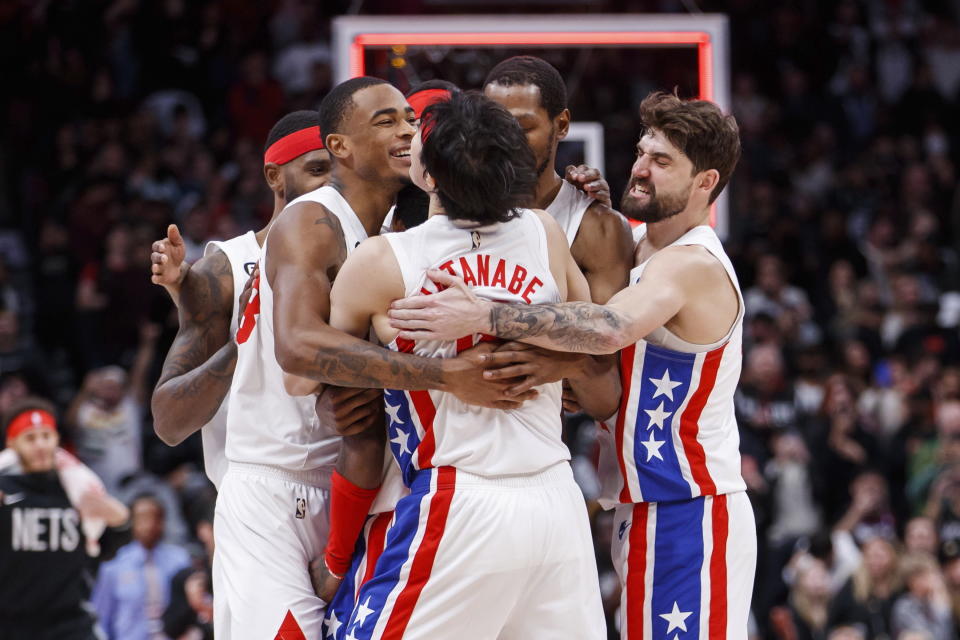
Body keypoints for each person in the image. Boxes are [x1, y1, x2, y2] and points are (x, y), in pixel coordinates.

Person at [388, 90, 756, 639]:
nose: (640, 169)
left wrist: (485, 313)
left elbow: (607, 329)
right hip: (643, 503)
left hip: (692, 506)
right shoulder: (636, 246)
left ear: (706, 182)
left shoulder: (692, 264)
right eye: (641, 153)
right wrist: (577, 202)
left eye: (662, 162)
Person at [215, 77, 525, 640]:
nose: (407, 130)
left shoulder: (396, 232)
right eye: (386, 121)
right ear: (339, 147)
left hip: (352, 480)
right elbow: (299, 350)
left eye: (409, 119)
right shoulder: (310, 220)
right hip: (279, 479)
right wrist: (443, 377)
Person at [323, 90, 606, 639]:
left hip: (459, 500)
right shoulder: (544, 234)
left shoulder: (385, 259)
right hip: (555, 500)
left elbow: (320, 367)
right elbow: (596, 336)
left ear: (426, 174)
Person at [149, 109, 332, 487]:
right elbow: (168, 422)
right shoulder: (226, 267)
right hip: (257, 489)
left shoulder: (367, 256)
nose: (332, 184)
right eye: (317, 170)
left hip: (350, 491)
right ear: (274, 176)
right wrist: (245, 339)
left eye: (339, 172)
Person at [483, 55, 633, 303]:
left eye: (523, 128)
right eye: (494, 126)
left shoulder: (599, 228)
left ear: (562, 124)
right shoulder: (456, 210)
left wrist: (486, 323)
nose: (505, 140)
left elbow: (600, 337)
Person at [0, 397, 128, 640]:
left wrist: (122, 523)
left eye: (46, 435)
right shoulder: (3, 490)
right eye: (30, 438)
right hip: (10, 625)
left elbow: (105, 549)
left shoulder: (79, 489)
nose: (40, 445)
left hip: (70, 623)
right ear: (12, 443)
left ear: (57, 439)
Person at [92, 494, 191, 640]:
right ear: (133, 522)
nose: (150, 524)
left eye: (156, 518)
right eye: (143, 518)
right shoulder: (115, 567)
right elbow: (101, 620)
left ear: (163, 522)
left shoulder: (180, 561)